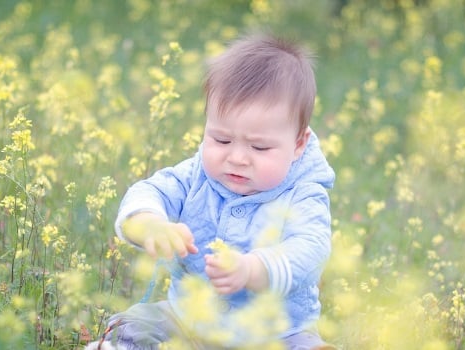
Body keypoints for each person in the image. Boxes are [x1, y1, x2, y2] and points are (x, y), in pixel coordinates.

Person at [98, 33, 335, 349]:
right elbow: (151, 191)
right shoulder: (197, 174)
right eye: (221, 140)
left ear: (298, 145)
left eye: (259, 146)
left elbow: (311, 248)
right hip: (188, 321)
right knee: (134, 326)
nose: (236, 157)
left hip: (276, 335)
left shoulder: (304, 193)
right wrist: (150, 224)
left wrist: (254, 269)